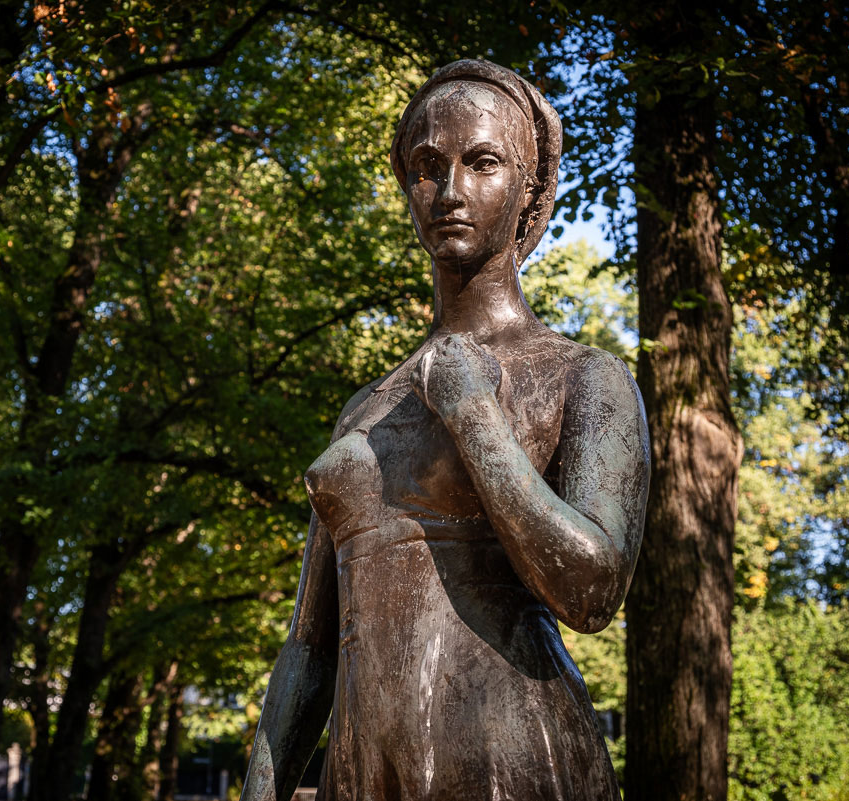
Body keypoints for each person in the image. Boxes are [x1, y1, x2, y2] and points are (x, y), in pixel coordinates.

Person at [241, 59, 650, 801]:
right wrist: (262, 785)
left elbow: (593, 589)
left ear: (529, 187)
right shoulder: (364, 411)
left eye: (483, 162)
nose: (451, 191)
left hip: (510, 759)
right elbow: (308, 645)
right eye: (428, 167)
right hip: (367, 771)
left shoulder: (581, 376)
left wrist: (474, 416)